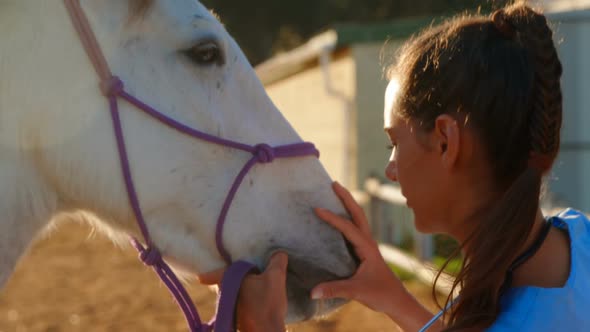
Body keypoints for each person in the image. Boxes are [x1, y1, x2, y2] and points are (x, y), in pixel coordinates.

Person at [201, 2, 590, 331]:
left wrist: (263, 325)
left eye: (394, 143)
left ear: (445, 141)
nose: (391, 169)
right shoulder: (579, 237)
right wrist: (393, 296)